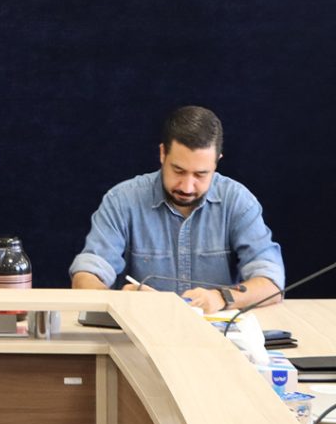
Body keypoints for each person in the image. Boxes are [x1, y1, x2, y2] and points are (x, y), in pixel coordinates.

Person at [69, 105, 284, 313]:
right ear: (163, 153)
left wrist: (221, 297)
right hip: (141, 329)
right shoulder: (122, 200)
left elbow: (272, 283)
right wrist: (122, 300)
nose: (187, 187)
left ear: (217, 162)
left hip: (216, 332)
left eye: (200, 174)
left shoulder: (238, 201)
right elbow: (86, 274)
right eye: (178, 171)